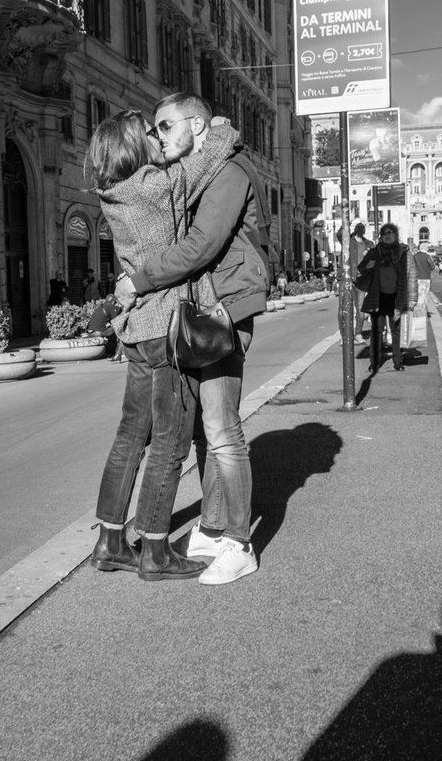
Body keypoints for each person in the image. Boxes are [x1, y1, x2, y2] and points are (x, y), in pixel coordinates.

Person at [113, 92, 269, 586]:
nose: (157, 137)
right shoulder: (204, 167)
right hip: (205, 308)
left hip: (223, 308)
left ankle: (239, 544)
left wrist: (137, 281)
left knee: (223, 430)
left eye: (164, 126)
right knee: (206, 428)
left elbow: (200, 246)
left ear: (196, 125)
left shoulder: (228, 172)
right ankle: (212, 525)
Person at [88, 107, 238, 582]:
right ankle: (155, 551)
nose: (157, 137)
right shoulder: (156, 186)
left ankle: (110, 541)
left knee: (130, 436)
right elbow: (209, 157)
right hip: (164, 330)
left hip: (134, 331)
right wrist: (217, 125)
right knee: (170, 443)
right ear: (136, 147)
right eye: (149, 133)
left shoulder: (112, 194)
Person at [358, 223, 418, 373]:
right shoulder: (375, 251)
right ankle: (374, 362)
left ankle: (398, 361)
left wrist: (412, 298)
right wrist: (368, 265)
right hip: (377, 296)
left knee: (396, 330)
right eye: (384, 233)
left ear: (396, 235)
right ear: (381, 236)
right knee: (376, 330)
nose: (388, 235)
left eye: (391, 233)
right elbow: (361, 268)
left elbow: (412, 275)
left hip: (397, 297)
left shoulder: (404, 252)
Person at [349, 223, 375, 343]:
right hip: (349, 278)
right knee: (346, 308)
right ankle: (345, 334)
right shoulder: (348, 242)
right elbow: (339, 234)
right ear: (355, 230)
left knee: (359, 308)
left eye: (362, 229)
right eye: (359, 228)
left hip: (362, 279)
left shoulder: (369, 244)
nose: (361, 231)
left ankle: (358, 333)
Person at [84, 293, 124, 362]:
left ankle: (113, 351)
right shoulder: (110, 306)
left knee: (112, 328)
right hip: (99, 332)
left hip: (91, 330)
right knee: (118, 328)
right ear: (113, 301)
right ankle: (118, 352)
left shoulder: (101, 306)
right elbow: (116, 320)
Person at [413, 242, 435, 307]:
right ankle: (423, 310)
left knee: (418, 294)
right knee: (425, 295)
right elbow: (432, 267)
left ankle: (418, 308)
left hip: (417, 278)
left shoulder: (415, 256)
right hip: (426, 278)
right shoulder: (427, 257)